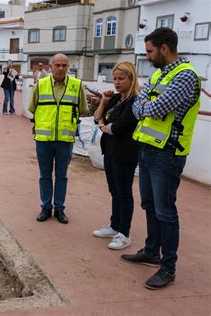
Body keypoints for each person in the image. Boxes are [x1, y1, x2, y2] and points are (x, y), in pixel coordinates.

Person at [121, 27, 201, 290]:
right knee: (149, 205)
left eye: (150, 51)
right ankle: (152, 250)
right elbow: (138, 103)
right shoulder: (158, 74)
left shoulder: (185, 76)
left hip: (167, 153)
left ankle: (168, 267)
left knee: (166, 211)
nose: (148, 56)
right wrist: (144, 107)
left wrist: (144, 107)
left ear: (164, 48)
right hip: (148, 148)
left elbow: (156, 107)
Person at [28, 53, 88, 224]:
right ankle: (45, 207)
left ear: (68, 67)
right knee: (45, 175)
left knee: (62, 176)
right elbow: (32, 108)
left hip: (65, 140)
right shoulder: (41, 85)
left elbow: (82, 109)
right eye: (57, 65)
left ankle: (59, 209)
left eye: (64, 65)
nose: (61, 68)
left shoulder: (77, 86)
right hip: (44, 140)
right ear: (50, 66)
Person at [92, 61, 140, 250]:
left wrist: (104, 127)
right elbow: (96, 117)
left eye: (122, 78)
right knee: (114, 191)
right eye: (115, 79)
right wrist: (103, 102)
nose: (117, 82)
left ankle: (124, 233)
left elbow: (118, 127)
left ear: (131, 78)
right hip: (110, 151)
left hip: (125, 153)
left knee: (124, 193)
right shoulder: (116, 99)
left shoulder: (134, 101)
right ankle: (114, 225)